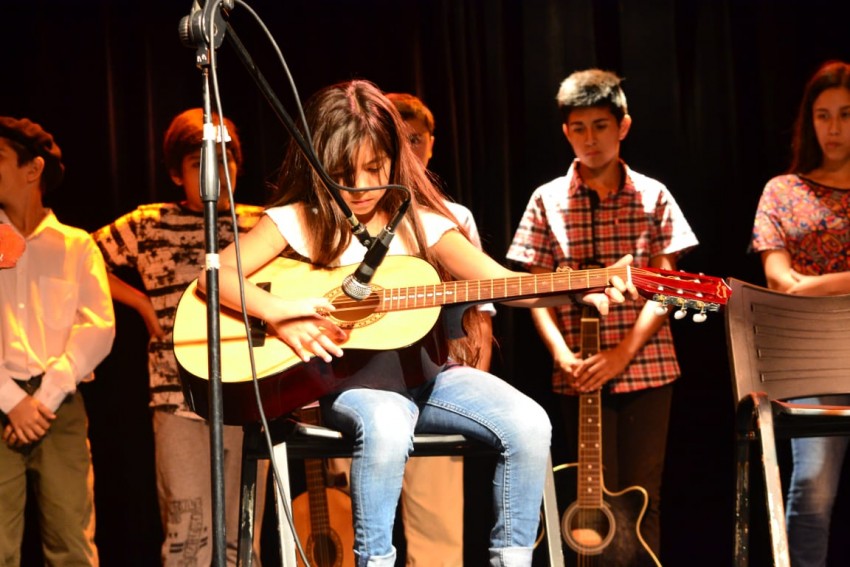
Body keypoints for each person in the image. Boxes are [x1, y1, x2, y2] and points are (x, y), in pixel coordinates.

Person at [205, 79, 637, 567]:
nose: (364, 185)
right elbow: (213, 278)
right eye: (346, 172)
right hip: (354, 385)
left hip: (432, 378)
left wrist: (582, 284)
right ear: (319, 165)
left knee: (530, 423)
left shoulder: (422, 220)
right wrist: (280, 313)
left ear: (395, 158)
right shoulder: (297, 220)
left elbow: (504, 282)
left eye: (375, 167)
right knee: (388, 426)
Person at [91, 108, 330, 566]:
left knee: (244, 534)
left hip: (246, 395)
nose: (220, 173)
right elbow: (82, 258)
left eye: (228, 161)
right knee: (189, 532)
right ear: (178, 175)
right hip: (177, 401)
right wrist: (141, 303)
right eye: (203, 163)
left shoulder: (259, 223)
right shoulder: (149, 222)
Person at [506, 68, 698, 559]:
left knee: (642, 495)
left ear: (623, 126)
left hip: (647, 366)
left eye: (600, 125)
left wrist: (622, 352)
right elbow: (532, 289)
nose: (589, 139)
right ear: (565, 131)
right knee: (592, 501)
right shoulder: (546, 200)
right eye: (578, 128)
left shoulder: (652, 195)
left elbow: (669, 285)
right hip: (579, 370)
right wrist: (562, 354)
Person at [0, 117, 116, 565]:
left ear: (33, 170)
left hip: (59, 409)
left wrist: (42, 400)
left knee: (71, 542)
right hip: (4, 403)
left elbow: (98, 327)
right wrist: (12, 400)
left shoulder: (75, 246)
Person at [750, 59, 850, 567]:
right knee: (811, 494)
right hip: (814, 357)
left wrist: (814, 285)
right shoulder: (783, 191)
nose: (833, 128)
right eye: (823, 115)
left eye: (846, 114)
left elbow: (799, 283)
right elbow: (779, 282)